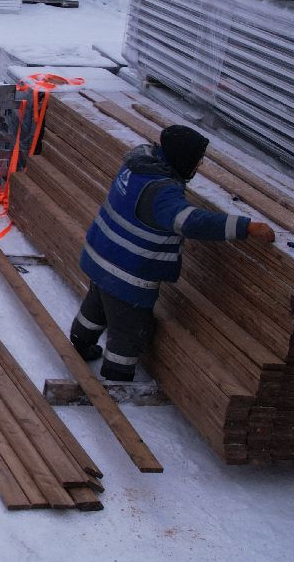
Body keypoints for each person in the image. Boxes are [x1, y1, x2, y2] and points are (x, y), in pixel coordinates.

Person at [69, 124, 276, 382]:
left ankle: (79, 341)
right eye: (197, 160)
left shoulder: (138, 166)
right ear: (183, 159)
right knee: (129, 330)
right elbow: (192, 222)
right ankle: (116, 377)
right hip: (128, 273)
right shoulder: (161, 193)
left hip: (101, 257)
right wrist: (247, 227)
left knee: (97, 304)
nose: (199, 165)